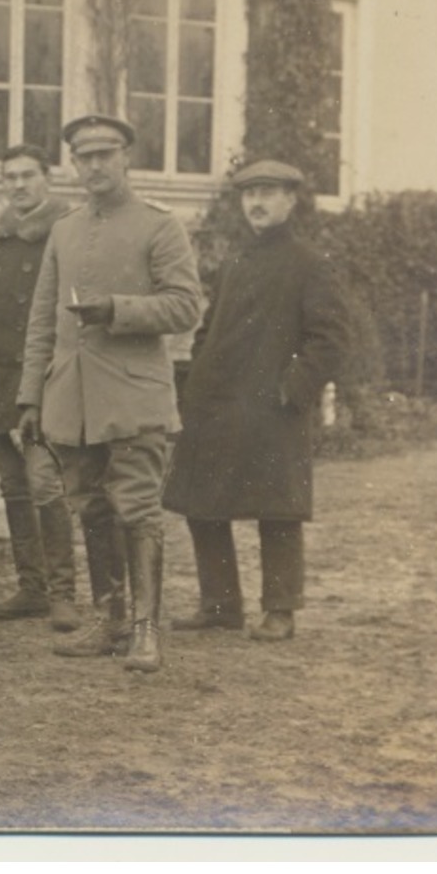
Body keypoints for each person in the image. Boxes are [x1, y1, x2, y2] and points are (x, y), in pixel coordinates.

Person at [16, 115, 201, 673]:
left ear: (126, 158)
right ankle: (110, 618)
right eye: (84, 156)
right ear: (73, 164)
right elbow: (42, 321)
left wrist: (117, 309)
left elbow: (186, 306)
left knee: (138, 509)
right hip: (71, 400)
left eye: (106, 154)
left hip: (133, 397)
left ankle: (146, 631)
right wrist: (30, 397)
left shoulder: (159, 226)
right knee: (91, 507)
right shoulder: (64, 229)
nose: (94, 165)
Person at [163, 159, 350, 641]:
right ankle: (221, 605)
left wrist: (292, 391)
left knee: (278, 508)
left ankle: (281, 610)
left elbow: (329, 341)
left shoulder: (310, 263)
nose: (257, 203)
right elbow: (210, 327)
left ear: (291, 199)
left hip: (272, 407)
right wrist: (196, 381)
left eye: (268, 193)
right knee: (201, 502)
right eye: (250, 194)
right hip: (216, 402)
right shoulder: (236, 260)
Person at [0, 144, 80, 630]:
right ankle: (32, 588)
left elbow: (63, 318)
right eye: (10, 177)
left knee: (46, 485)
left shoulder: (65, 233)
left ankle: (63, 593)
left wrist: (53, 381)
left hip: (41, 381)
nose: (19, 185)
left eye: (28, 176)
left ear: (47, 179)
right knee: (13, 487)